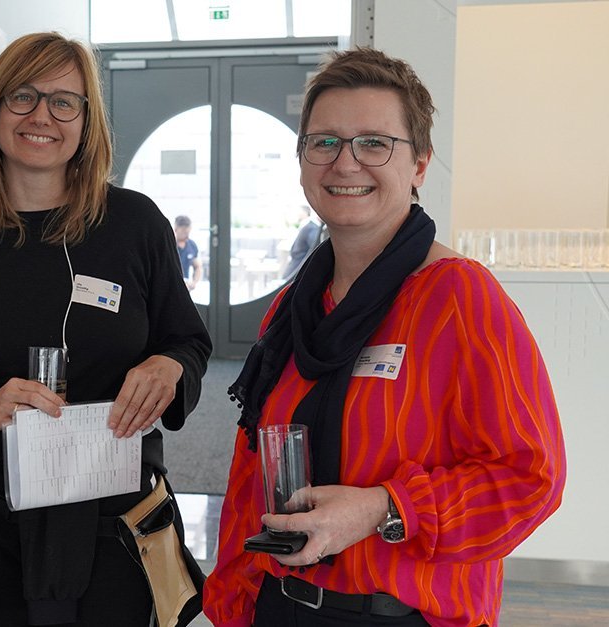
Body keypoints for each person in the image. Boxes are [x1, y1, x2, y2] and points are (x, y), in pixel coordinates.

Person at [203, 48, 565, 627]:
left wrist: (383, 508)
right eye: (324, 142)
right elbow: (253, 470)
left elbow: (529, 480)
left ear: (419, 164)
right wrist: (232, 602)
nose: (345, 163)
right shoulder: (293, 307)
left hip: (397, 614)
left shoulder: (460, 299)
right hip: (280, 606)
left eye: (374, 143)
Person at [0, 32, 213, 627]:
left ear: (86, 121)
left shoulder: (134, 224)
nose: (41, 116)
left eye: (63, 102)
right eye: (22, 96)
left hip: (115, 519)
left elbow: (188, 341)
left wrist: (169, 366)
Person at [279, 205, 323, 280]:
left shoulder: (310, 227)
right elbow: (315, 248)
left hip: (295, 267)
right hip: (297, 268)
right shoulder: (312, 228)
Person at [173, 215, 203, 290]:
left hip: (185, 284)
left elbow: (197, 267)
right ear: (176, 229)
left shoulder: (192, 245)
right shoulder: (170, 245)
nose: (186, 234)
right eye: (183, 231)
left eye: (187, 231)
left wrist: (194, 282)